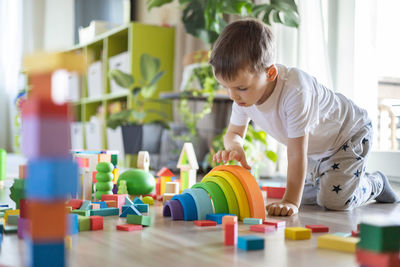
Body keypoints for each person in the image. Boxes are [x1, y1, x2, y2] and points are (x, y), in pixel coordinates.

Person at [210, 18, 399, 216]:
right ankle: (345, 180)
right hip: (316, 148)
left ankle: (375, 182)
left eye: (240, 87)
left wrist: (290, 201)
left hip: (347, 134)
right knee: (310, 199)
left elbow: (295, 154)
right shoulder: (243, 97)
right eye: (226, 87)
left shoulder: (295, 91)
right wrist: (235, 147)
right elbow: (233, 133)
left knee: (333, 201)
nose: (232, 95)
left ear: (270, 73)